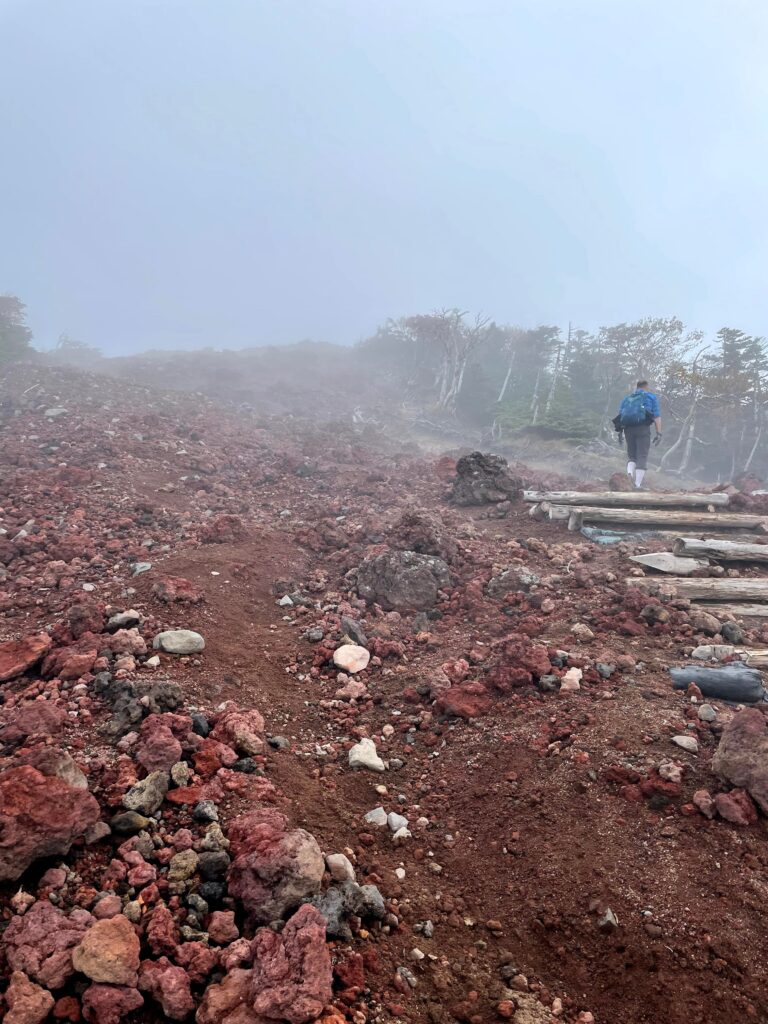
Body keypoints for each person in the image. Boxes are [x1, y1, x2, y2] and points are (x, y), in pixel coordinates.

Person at [614, 380, 661, 489]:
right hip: (643, 428)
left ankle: (629, 475)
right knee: (642, 456)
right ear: (646, 387)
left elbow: (621, 416)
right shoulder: (651, 397)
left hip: (628, 429)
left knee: (632, 456)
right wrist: (659, 433)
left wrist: (620, 432)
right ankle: (637, 485)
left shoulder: (627, 398)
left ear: (637, 387)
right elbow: (657, 416)